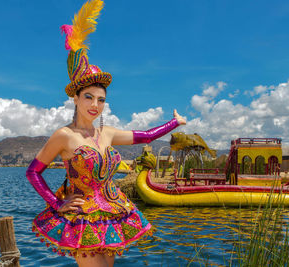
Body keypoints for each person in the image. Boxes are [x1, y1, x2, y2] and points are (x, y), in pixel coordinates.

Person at [26, 1, 186, 266]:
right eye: (88, 97)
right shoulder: (64, 136)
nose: (95, 105)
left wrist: (174, 123)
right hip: (82, 218)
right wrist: (57, 203)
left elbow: (145, 137)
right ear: (75, 99)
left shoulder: (107, 133)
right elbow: (33, 172)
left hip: (111, 214)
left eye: (101, 100)